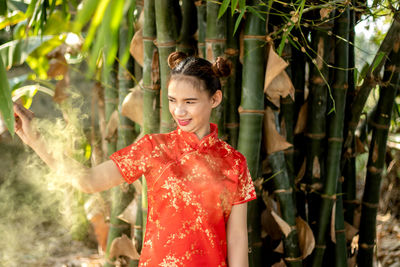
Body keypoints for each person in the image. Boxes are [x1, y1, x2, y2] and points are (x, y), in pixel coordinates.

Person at [13, 51, 257, 267]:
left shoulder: (235, 162)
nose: (179, 112)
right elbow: (87, 181)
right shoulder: (154, 148)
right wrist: (36, 140)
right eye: (172, 101)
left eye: (189, 102)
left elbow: (236, 238)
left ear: (214, 99)